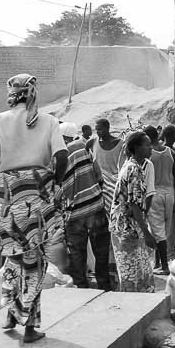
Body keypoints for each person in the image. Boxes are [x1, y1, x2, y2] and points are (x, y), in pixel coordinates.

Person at [0, 74, 68, 344]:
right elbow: (61, 156)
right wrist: (54, 182)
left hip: (6, 194)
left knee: (13, 256)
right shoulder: (47, 121)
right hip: (36, 192)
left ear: (11, 95)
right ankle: (30, 327)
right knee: (35, 261)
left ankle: (11, 316)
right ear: (33, 93)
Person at [59, 122, 111, 290]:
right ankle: (105, 286)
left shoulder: (59, 156)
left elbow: (59, 189)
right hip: (95, 206)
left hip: (74, 213)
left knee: (77, 254)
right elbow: (99, 175)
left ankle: (82, 288)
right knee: (101, 252)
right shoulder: (83, 147)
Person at [109, 132, 158, 292]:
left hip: (125, 227)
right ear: (137, 148)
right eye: (147, 145)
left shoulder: (131, 165)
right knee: (134, 274)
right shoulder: (134, 170)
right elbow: (134, 206)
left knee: (138, 271)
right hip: (127, 230)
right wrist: (147, 233)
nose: (151, 148)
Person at [146, 125, 175, 274]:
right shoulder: (170, 152)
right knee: (165, 230)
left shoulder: (148, 155)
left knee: (156, 230)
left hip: (154, 194)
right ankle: (159, 263)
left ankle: (164, 265)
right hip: (170, 193)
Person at [88, 119, 125, 214]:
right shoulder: (93, 142)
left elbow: (124, 165)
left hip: (115, 181)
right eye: (96, 130)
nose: (98, 132)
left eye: (100, 129)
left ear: (107, 128)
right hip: (99, 181)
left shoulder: (120, 143)